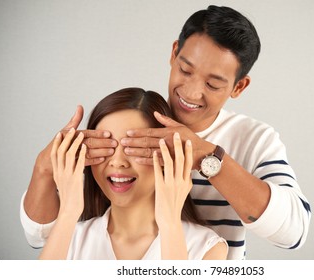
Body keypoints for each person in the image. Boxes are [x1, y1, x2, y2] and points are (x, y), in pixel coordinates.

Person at [21, 5, 311, 259]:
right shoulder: (138, 117)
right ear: (174, 54)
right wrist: (44, 169)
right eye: (185, 70)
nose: (192, 91)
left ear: (239, 87)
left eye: (213, 84)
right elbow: (40, 235)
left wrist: (207, 158)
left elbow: (293, 232)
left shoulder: (255, 138)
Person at [35, 87, 227, 260]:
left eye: (134, 148)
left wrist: (170, 224)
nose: (118, 162)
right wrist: (68, 212)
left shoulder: (206, 248)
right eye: (107, 148)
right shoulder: (68, 238)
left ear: (168, 157)